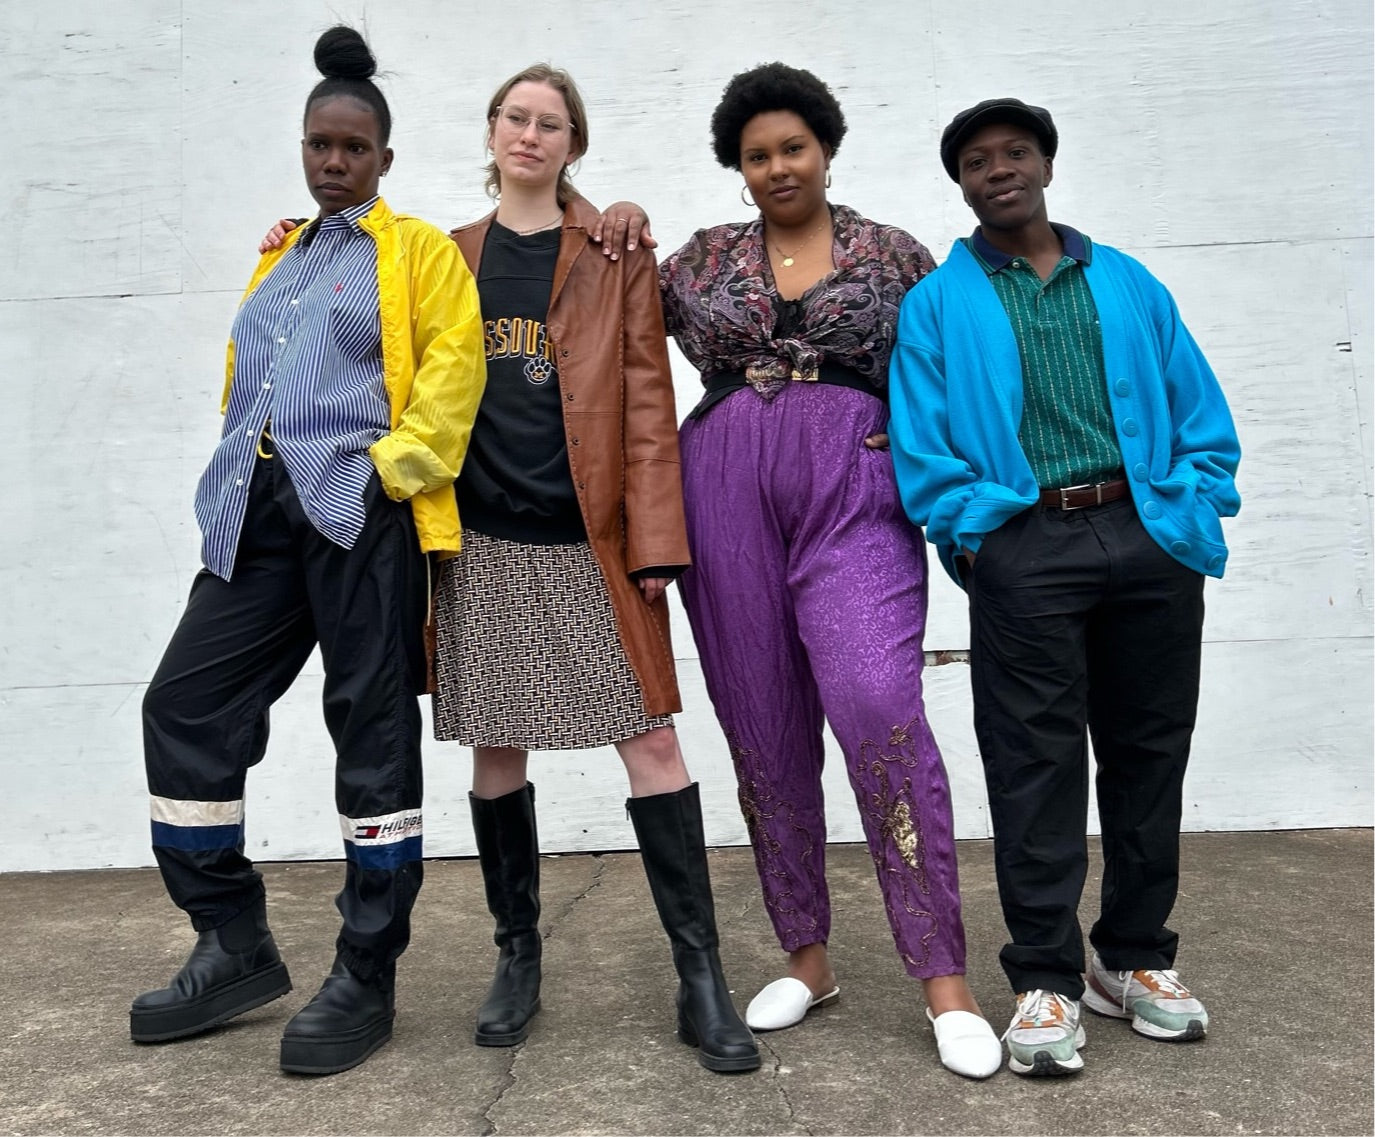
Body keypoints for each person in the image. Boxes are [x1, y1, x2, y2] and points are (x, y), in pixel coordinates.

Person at [129, 27, 486, 1077]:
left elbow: (453, 375)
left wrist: (392, 469)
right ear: (303, 146)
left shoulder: (414, 251)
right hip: (256, 508)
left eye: (353, 148)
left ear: (384, 156)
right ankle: (230, 939)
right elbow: (256, 375)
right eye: (319, 144)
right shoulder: (278, 250)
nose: (333, 162)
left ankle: (365, 972)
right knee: (185, 704)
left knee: (367, 730)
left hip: (357, 508)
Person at [655, 63, 1001, 1079]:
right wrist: (609, 211)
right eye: (757, 154)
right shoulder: (697, 260)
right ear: (739, 165)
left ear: (825, 148)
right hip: (721, 499)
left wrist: (966, 493)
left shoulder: (895, 255)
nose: (776, 167)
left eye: (791, 147)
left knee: (876, 705)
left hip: (855, 492)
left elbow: (950, 367)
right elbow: (603, 310)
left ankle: (943, 976)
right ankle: (807, 959)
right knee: (761, 728)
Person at [888, 98, 1241, 1077]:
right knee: (1034, 761)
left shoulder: (1124, 282)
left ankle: (1130, 960)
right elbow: (922, 450)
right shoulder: (938, 305)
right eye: (976, 160)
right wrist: (984, 542)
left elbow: (1196, 409)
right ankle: (1043, 978)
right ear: (958, 181)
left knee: (1146, 754)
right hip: (1026, 543)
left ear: (1044, 162)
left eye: (1014, 153)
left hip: (1147, 535)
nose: (998, 170)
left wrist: (1193, 508)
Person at [436, 64, 760, 1075]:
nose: (529, 136)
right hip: (480, 544)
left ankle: (699, 977)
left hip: (590, 541)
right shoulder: (446, 256)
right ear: (490, 133)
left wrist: (657, 541)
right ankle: (516, 956)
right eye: (514, 119)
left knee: (653, 749)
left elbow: (646, 397)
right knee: (496, 751)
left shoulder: (611, 247)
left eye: (550, 123)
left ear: (574, 142)